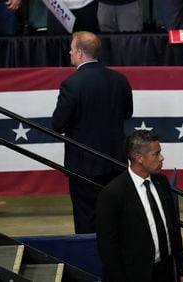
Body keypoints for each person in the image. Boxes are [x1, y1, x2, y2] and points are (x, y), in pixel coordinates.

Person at [52, 31, 133, 233]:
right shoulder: (119, 79)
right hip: (115, 162)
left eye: (71, 49)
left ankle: (88, 263)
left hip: (83, 166)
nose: (69, 53)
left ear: (80, 53)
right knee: (115, 219)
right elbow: (127, 113)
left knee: (86, 219)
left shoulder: (71, 84)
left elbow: (58, 124)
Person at [96, 130, 183, 282]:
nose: (162, 158)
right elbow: (108, 247)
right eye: (156, 154)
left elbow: (173, 230)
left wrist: (181, 269)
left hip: (166, 272)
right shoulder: (112, 193)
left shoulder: (162, 182)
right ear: (139, 158)